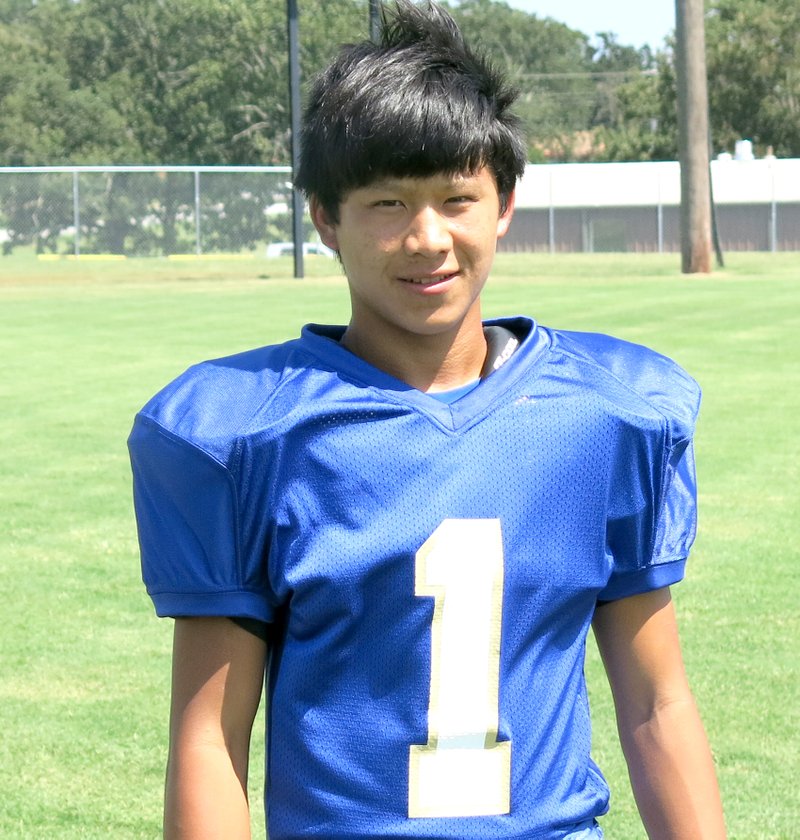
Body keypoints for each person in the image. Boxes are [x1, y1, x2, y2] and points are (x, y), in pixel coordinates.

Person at [128, 2, 727, 838]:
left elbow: (657, 703)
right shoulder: (249, 435)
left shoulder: (609, 413)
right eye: (386, 203)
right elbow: (209, 741)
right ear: (325, 218)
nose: (427, 238)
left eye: (456, 198)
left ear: (505, 204)